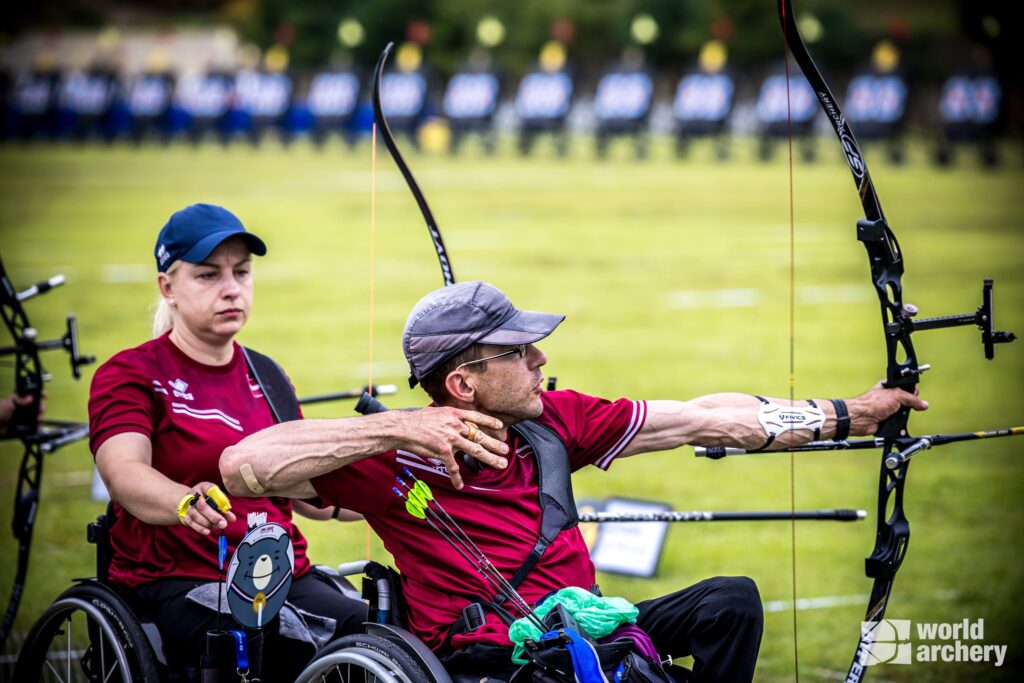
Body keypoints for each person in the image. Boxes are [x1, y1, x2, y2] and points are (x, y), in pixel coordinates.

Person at [220, 280, 928, 681]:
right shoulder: (391, 455)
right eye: (519, 350)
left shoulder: (556, 418)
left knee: (730, 602)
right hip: (494, 657)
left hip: (588, 624)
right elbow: (243, 463)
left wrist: (851, 414)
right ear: (462, 382)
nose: (540, 358)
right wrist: (397, 427)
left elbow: (708, 417)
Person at [88, 205, 507, 680]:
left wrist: (407, 480)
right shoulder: (130, 373)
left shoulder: (267, 375)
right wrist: (184, 502)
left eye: (241, 272)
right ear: (168, 286)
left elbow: (315, 496)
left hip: (282, 571)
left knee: (380, 632)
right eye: (208, 275)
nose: (231, 288)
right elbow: (123, 473)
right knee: (287, 637)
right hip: (177, 579)